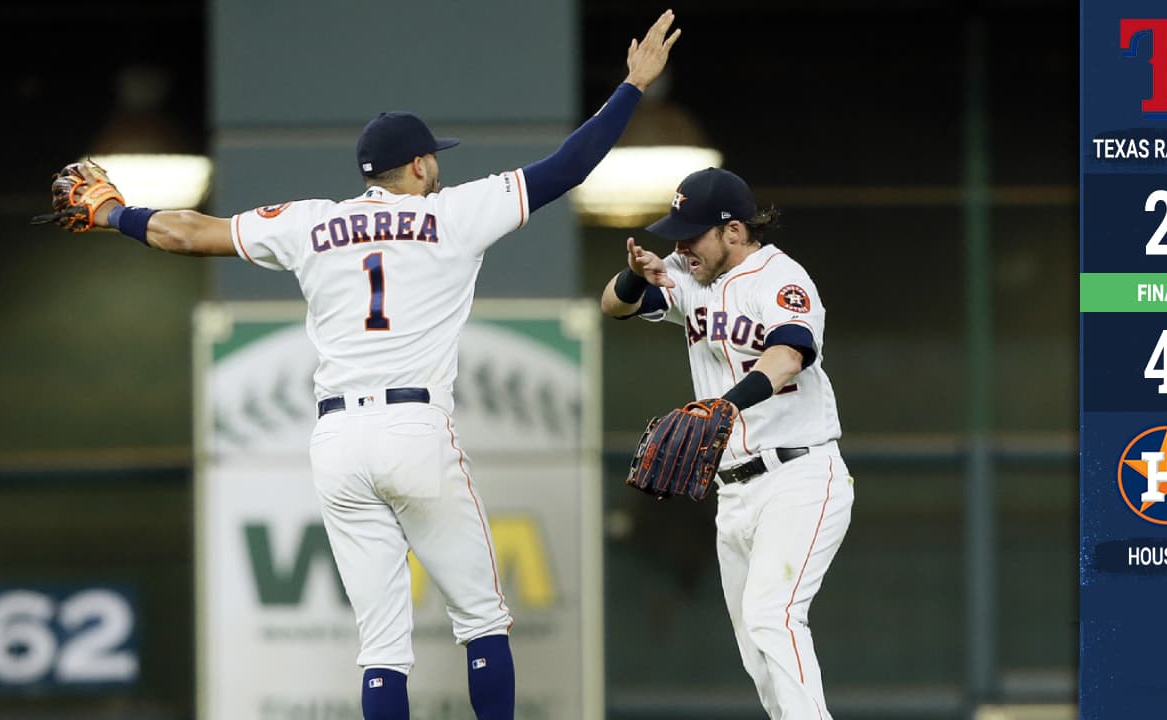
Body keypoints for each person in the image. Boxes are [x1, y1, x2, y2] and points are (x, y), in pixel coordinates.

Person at [42, 11, 680, 720]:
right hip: (414, 429)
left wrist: (113, 215)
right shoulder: (455, 213)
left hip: (337, 442)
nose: (438, 164)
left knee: (381, 645)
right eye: (432, 157)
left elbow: (185, 231)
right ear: (416, 166)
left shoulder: (310, 221)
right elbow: (568, 167)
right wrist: (630, 86)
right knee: (481, 620)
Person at [599, 167, 854, 719]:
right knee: (755, 650)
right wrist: (635, 275)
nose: (680, 245)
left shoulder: (780, 279)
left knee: (771, 616)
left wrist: (726, 405)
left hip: (799, 476)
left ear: (734, 231)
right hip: (733, 493)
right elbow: (611, 306)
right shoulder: (688, 274)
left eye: (693, 234)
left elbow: (787, 357)